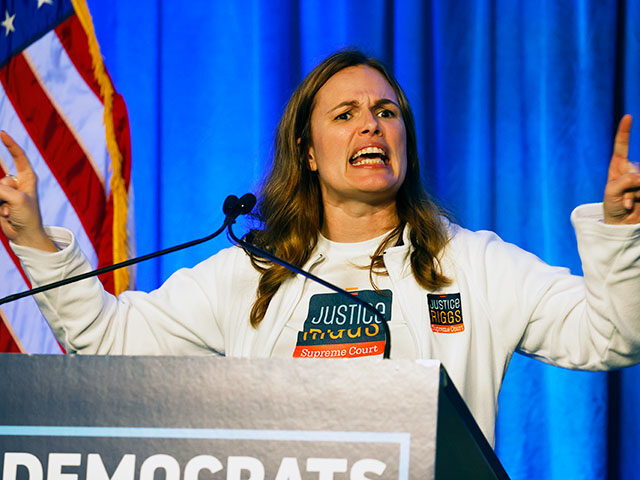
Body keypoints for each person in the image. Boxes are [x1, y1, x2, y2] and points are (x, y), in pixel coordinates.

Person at [1, 50, 640, 446]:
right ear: (307, 153)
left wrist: (620, 230)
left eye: (387, 112)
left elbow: (612, 335)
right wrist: (30, 234)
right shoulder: (253, 276)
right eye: (345, 114)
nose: (371, 124)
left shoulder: (474, 264)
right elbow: (110, 339)